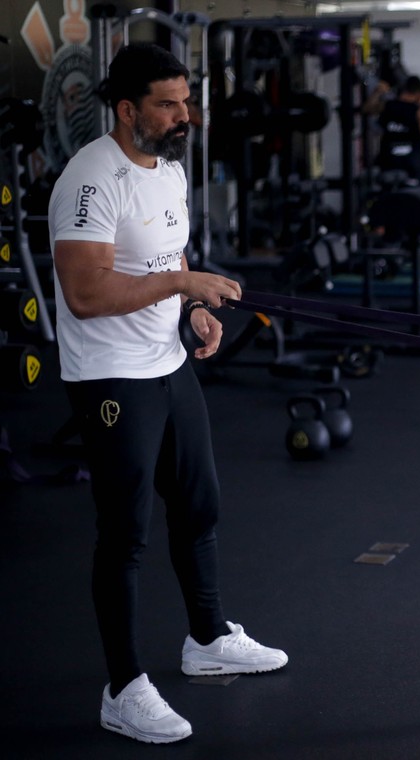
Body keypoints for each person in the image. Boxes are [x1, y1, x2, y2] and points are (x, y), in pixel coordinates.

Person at [48, 43, 287, 745]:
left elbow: (168, 257)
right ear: (127, 110)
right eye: (167, 103)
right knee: (125, 536)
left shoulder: (170, 170)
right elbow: (86, 293)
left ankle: (208, 639)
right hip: (110, 374)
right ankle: (123, 688)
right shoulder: (91, 180)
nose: (185, 115)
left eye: (186, 101)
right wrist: (185, 285)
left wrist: (192, 309)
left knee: (198, 503)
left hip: (165, 359)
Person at [376, 75, 420, 187]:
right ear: (419, 93)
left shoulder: (388, 105)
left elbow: (366, 110)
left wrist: (377, 93)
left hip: (389, 163)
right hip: (409, 167)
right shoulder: (418, 112)